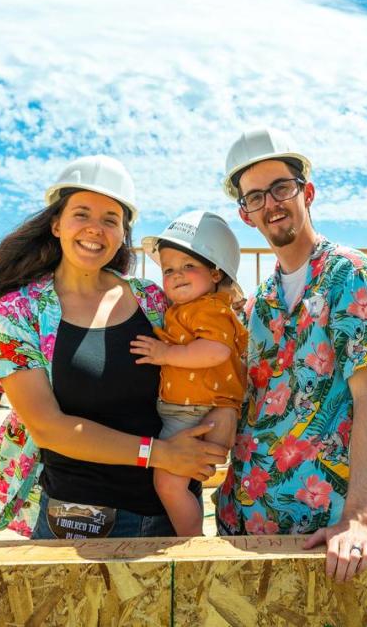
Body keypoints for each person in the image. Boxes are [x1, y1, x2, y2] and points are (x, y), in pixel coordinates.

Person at [0, 155, 228, 539]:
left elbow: (212, 355)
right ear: (56, 224)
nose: (95, 229)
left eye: (110, 219)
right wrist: (159, 453)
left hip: (169, 516)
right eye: (81, 214)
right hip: (78, 525)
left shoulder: (152, 301)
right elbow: (48, 428)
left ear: (124, 233)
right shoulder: (21, 312)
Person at [214, 128, 367, 583]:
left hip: (318, 533)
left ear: (306, 192)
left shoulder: (349, 278)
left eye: (280, 188)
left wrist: (358, 517)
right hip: (243, 520)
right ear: (245, 214)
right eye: (254, 197)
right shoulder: (260, 304)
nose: (270, 203)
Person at [130, 211, 248, 536]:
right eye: (169, 269)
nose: (176, 275)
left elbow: (216, 350)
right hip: (190, 408)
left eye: (188, 266)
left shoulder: (210, 308)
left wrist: (165, 353)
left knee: (168, 482)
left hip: (191, 411)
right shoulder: (185, 309)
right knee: (176, 481)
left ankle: (191, 542)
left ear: (215, 272)